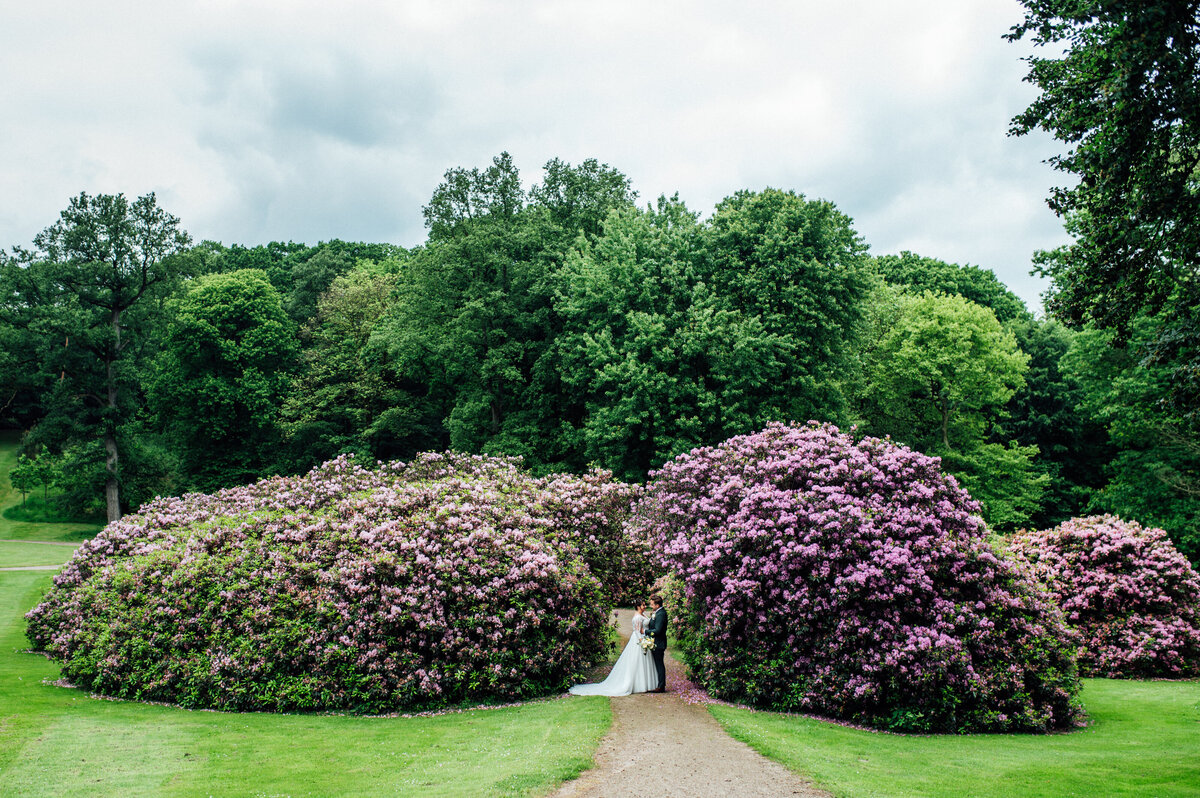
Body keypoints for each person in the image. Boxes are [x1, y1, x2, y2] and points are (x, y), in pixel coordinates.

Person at [568, 602, 657, 696]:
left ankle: (646, 683)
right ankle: (638, 684)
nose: (645, 606)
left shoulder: (643, 614)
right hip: (639, 640)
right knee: (637, 661)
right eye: (643, 605)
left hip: (644, 638)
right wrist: (642, 642)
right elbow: (637, 631)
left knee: (643, 661)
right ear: (638, 606)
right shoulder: (637, 617)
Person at [645, 594, 668, 693]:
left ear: (657, 605)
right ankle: (659, 684)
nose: (651, 606)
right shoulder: (658, 612)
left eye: (652, 604)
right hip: (656, 642)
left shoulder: (661, 614)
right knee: (657, 663)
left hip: (659, 642)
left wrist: (646, 632)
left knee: (659, 664)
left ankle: (661, 686)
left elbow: (658, 630)